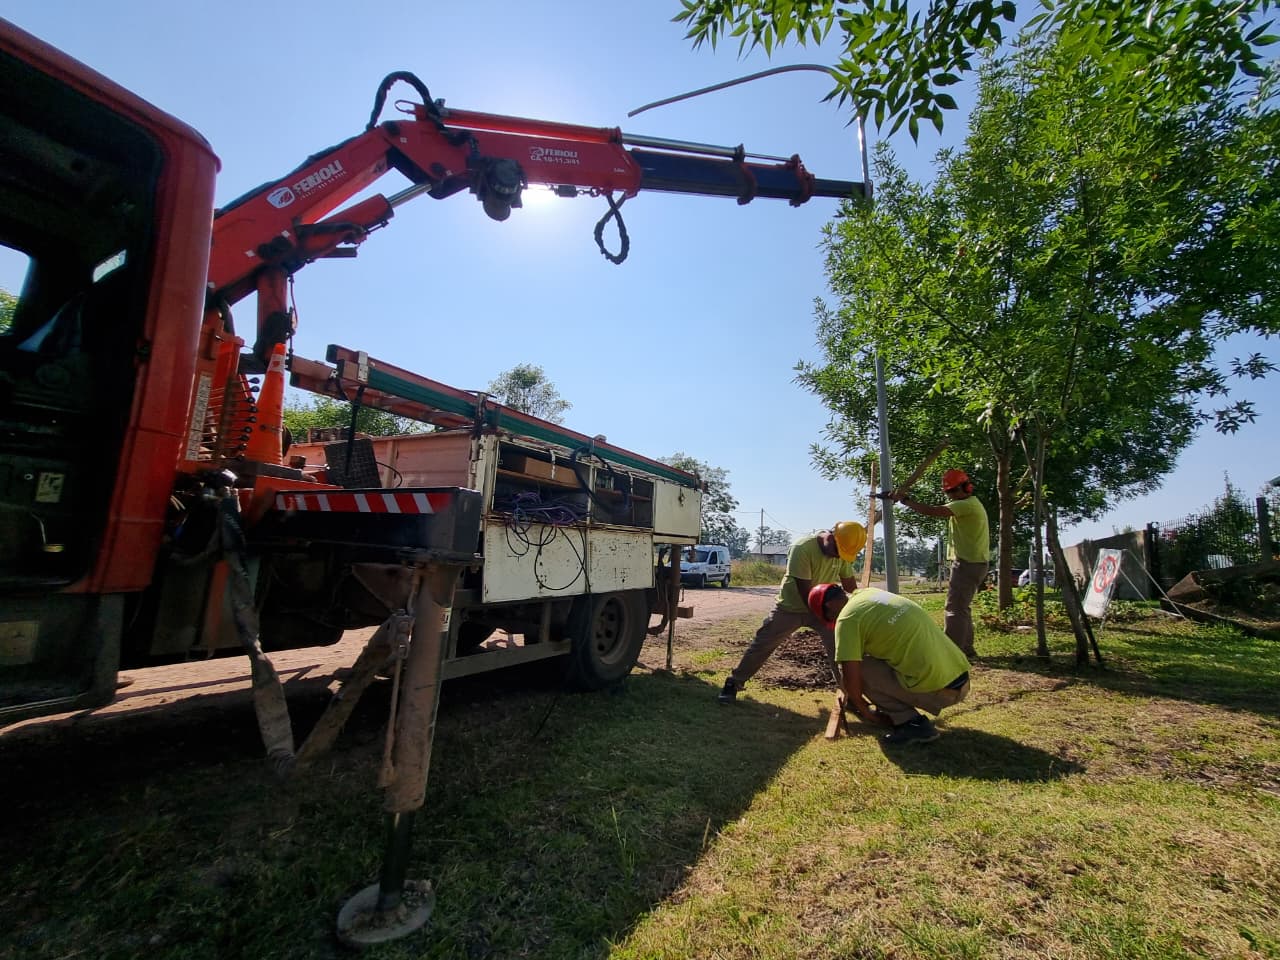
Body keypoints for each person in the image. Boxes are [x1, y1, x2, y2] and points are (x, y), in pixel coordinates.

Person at [718, 522, 865, 704]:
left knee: (841, 650)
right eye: (837, 550)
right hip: (791, 607)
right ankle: (734, 683)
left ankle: (850, 696)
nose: (837, 556)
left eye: (841, 554)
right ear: (832, 535)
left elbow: (850, 585)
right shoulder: (803, 548)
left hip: (824, 609)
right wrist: (827, 617)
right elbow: (806, 592)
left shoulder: (840, 551)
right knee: (763, 643)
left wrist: (862, 602)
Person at [809, 582, 971, 745]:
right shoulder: (869, 594)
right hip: (961, 678)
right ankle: (901, 711)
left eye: (829, 617)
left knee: (860, 670)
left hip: (942, 690)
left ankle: (913, 725)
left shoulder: (848, 619)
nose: (834, 620)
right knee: (872, 659)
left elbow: (851, 677)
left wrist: (865, 710)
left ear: (829, 606)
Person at [890, 468, 988, 658]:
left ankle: (950, 653)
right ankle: (966, 649)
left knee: (954, 609)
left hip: (968, 564)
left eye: (952, 491)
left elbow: (934, 511)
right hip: (974, 563)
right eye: (947, 492)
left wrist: (905, 500)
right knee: (962, 608)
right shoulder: (968, 504)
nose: (950, 496)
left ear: (966, 488)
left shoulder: (966, 505)